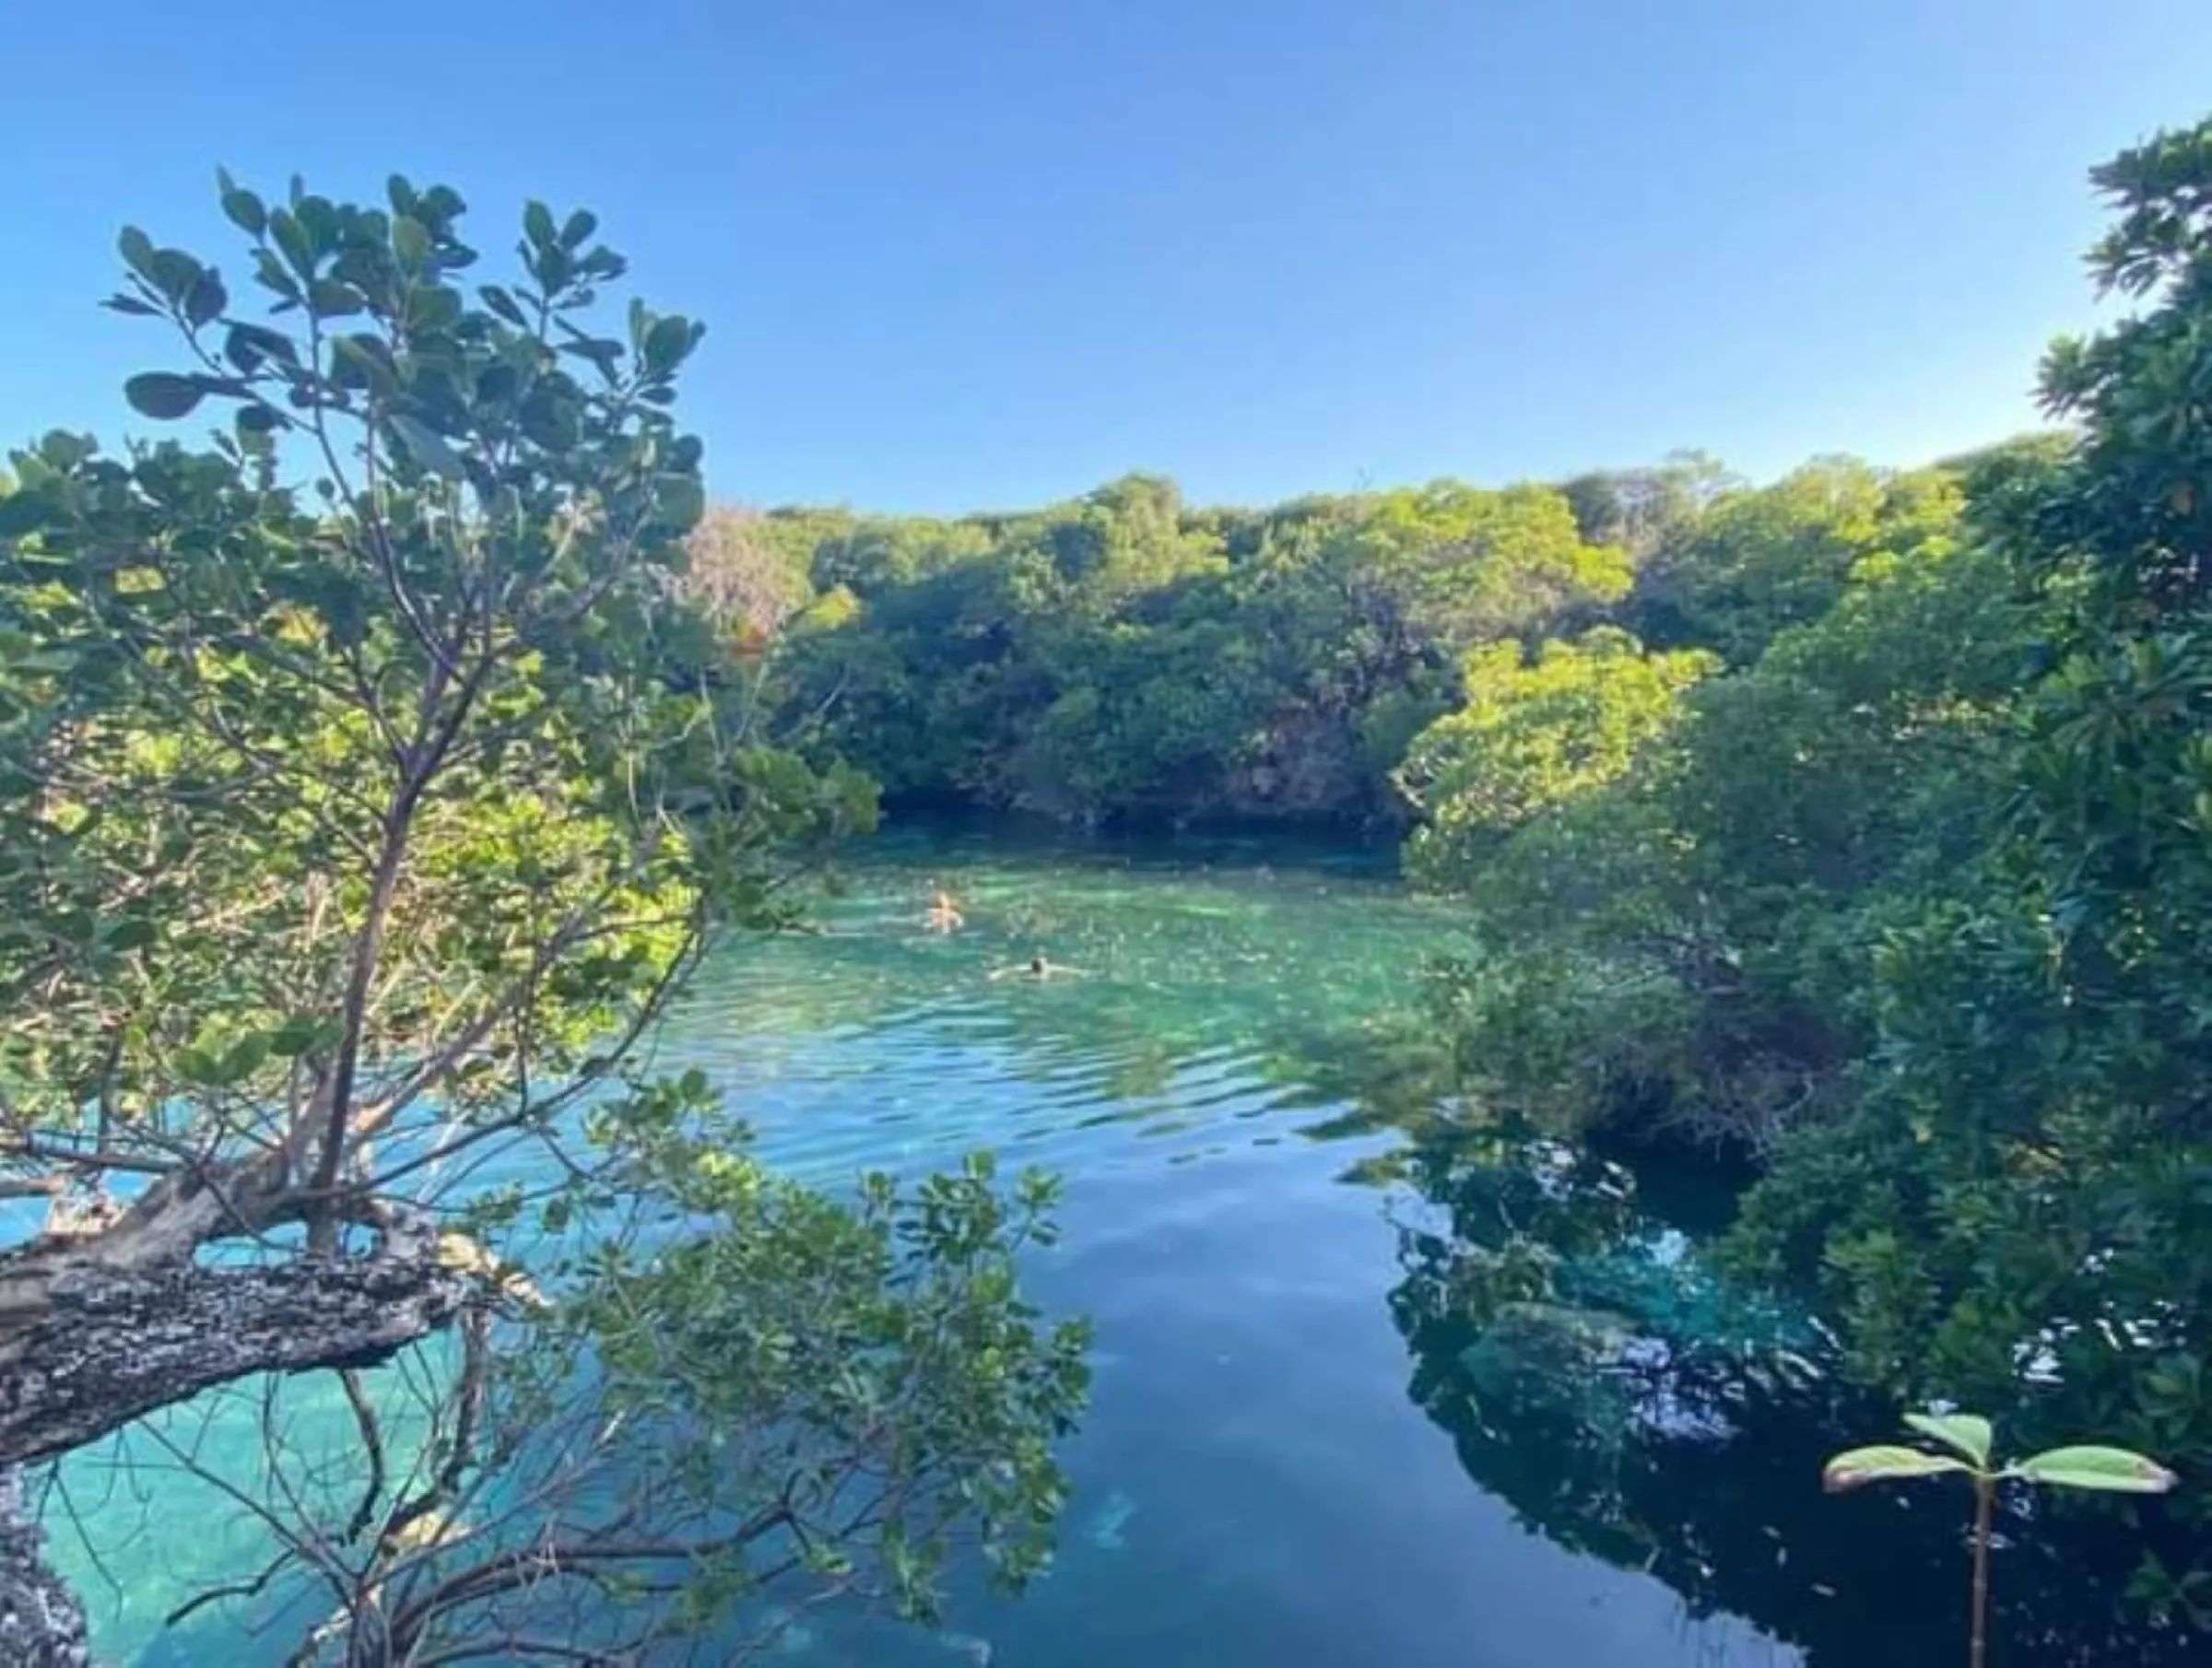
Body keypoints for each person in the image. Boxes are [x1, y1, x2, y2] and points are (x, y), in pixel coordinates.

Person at [989, 953, 1086, 981]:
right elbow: (1013, 969)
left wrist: (1080, 972)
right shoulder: (1049, 968)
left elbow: (1067, 970)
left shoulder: (1050, 968)